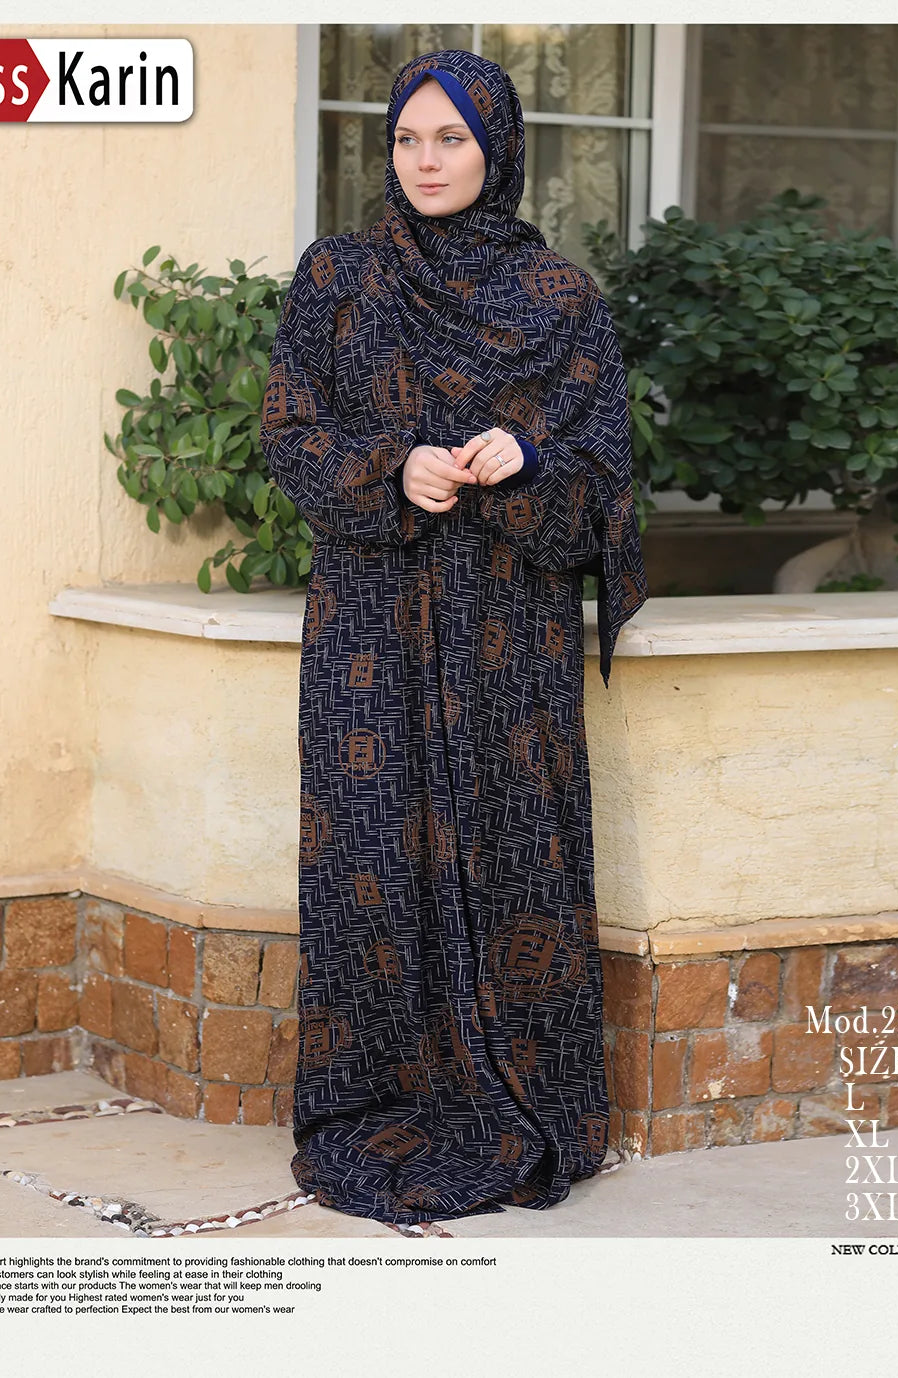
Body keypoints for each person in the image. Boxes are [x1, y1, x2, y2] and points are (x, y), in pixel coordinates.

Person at [259, 48, 648, 1228]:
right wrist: (393, 467)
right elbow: (288, 432)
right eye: (407, 140)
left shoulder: (562, 303)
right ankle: (371, 1097)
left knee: (507, 850)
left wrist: (528, 457)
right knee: (369, 863)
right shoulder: (337, 279)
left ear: (499, 150)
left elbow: (610, 485)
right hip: (371, 631)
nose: (426, 162)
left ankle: (519, 1096)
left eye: (452, 140)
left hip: (504, 643)